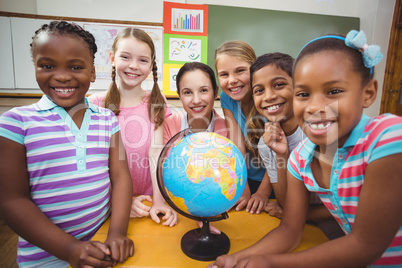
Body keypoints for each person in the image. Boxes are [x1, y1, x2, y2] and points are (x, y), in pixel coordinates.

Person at [208, 30, 402, 267]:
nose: (315, 105)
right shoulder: (300, 156)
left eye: (333, 91)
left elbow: (366, 244)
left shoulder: (387, 137)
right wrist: (235, 259)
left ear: (368, 93)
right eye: (304, 94)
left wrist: (270, 263)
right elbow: (290, 229)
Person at [0, 21, 134, 268]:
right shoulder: (15, 124)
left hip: (103, 247)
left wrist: (117, 232)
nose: (61, 76)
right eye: (47, 65)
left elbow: (121, 176)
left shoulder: (107, 119)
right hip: (43, 259)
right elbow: (12, 201)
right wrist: (69, 249)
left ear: (92, 72)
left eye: (75, 66)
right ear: (36, 67)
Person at [247, 53, 344, 240]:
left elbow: (348, 204)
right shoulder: (266, 144)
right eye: (259, 90)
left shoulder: (323, 131)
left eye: (279, 85)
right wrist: (281, 155)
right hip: (306, 230)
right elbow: (284, 202)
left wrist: (301, 214)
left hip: (344, 230)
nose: (268, 96)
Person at [89, 27, 177, 227]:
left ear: (151, 65)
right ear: (112, 57)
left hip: (147, 201)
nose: (134, 66)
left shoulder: (156, 100)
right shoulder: (95, 104)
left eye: (143, 60)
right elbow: (96, 163)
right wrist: (119, 202)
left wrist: (159, 200)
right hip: (109, 205)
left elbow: (156, 152)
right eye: (126, 57)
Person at [215, 40, 270, 214]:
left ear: (254, 71)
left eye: (240, 71)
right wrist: (242, 185)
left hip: (274, 180)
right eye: (224, 74)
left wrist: (262, 192)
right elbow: (237, 144)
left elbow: (278, 153)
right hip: (247, 177)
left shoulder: (268, 98)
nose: (232, 81)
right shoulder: (226, 98)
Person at [164, 61, 227, 142]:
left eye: (203, 90)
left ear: (215, 92)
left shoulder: (229, 130)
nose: (196, 101)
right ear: (179, 95)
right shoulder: (167, 125)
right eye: (188, 92)